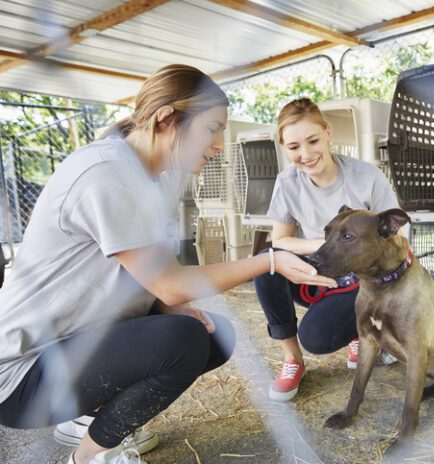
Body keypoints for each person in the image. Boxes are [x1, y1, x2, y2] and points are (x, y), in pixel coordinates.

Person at [0, 65, 336, 464]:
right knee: (182, 342)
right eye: (211, 129)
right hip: (23, 373)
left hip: (75, 343)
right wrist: (269, 260)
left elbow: (146, 273)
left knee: (210, 334)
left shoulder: (152, 174)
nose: (217, 145)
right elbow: (171, 282)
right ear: (166, 119)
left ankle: (85, 420)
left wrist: (167, 306)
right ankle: (90, 457)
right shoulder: (107, 172)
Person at [253, 98, 401, 402]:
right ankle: (293, 360)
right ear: (284, 147)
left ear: (328, 133)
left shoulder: (366, 177)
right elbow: (280, 241)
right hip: (318, 270)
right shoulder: (287, 183)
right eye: (294, 147)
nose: (305, 154)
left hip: (362, 281)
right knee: (264, 262)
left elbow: (397, 241)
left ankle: (361, 331)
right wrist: (326, 248)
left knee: (317, 338)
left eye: (313, 141)